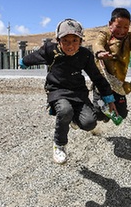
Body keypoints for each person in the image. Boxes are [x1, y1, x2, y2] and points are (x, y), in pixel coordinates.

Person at [19, 18, 117, 164]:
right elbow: (35, 56)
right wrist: (24, 62)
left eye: (75, 41)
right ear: (58, 40)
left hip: (78, 92)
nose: (70, 45)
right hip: (57, 90)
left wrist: (109, 98)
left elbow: (96, 77)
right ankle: (59, 145)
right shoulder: (50, 50)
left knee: (90, 123)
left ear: (81, 41)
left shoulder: (85, 55)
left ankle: (74, 119)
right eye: (66, 41)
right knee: (65, 110)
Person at [92, 8, 131, 122]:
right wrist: (100, 52)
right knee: (98, 113)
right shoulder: (104, 34)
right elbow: (97, 43)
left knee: (122, 114)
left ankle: (108, 114)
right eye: (118, 26)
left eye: (126, 27)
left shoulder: (129, 37)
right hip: (103, 80)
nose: (122, 30)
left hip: (118, 82)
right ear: (110, 24)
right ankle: (95, 110)